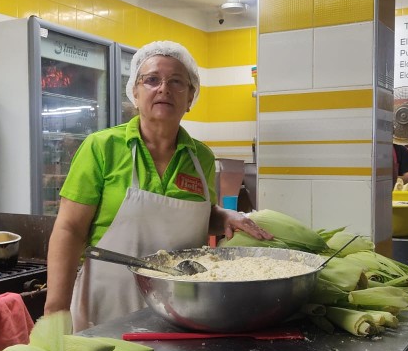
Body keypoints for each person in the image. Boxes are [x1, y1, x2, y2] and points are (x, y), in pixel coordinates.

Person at [45, 40, 272, 331]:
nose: (163, 88)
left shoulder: (200, 156)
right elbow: (69, 229)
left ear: (190, 98)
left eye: (177, 82)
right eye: (151, 80)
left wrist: (225, 217)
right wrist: (56, 308)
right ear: (135, 93)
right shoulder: (103, 148)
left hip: (183, 307)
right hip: (108, 303)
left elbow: (200, 215)